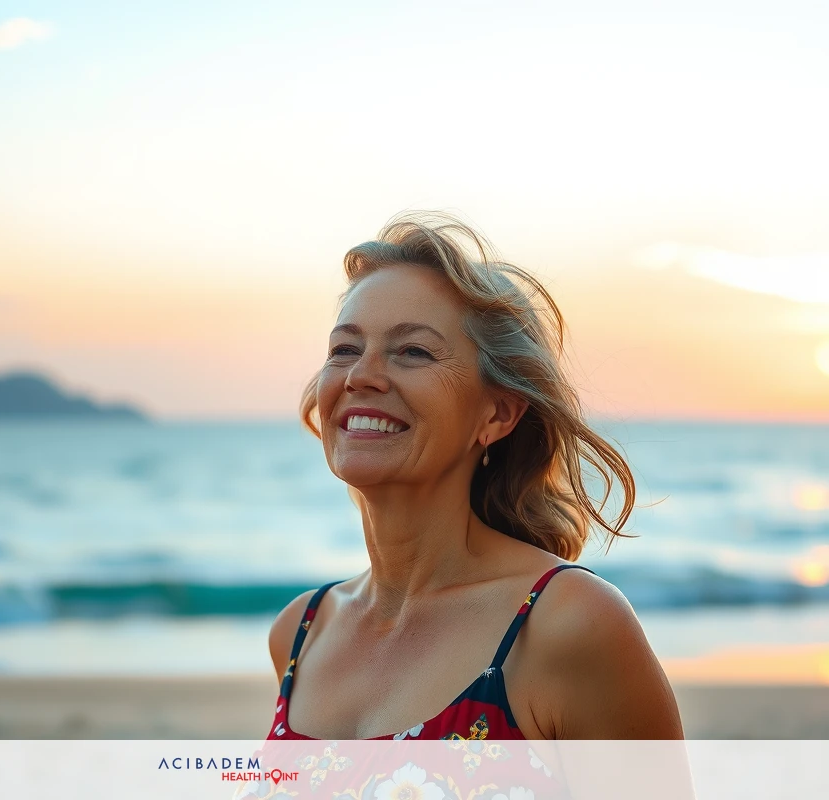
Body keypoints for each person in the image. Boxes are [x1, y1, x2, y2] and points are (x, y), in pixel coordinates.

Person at [267, 213, 684, 746]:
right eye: (344, 349)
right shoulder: (301, 632)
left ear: (497, 415)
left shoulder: (567, 626)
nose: (360, 376)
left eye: (412, 351)